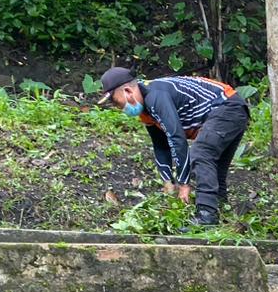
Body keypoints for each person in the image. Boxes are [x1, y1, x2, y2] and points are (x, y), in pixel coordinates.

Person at [97, 66, 250, 226]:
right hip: (231, 109)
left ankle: (206, 216)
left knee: (201, 153)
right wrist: (167, 180)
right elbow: (160, 144)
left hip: (227, 106)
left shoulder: (156, 96)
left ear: (128, 91)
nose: (119, 108)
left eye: (116, 102)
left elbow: (176, 137)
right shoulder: (146, 108)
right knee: (214, 166)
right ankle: (220, 208)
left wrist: (184, 183)